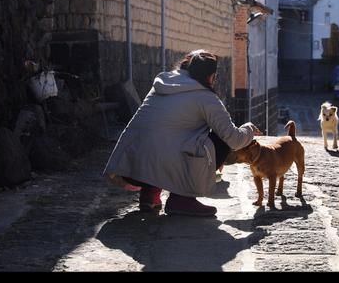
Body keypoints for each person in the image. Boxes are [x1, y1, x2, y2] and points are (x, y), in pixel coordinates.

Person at [104, 49, 262, 217]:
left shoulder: (161, 84)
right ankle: (182, 199)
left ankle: (150, 194)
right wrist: (250, 129)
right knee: (221, 140)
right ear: (210, 76)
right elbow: (234, 139)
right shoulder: (205, 97)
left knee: (165, 139)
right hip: (152, 166)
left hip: (132, 168)